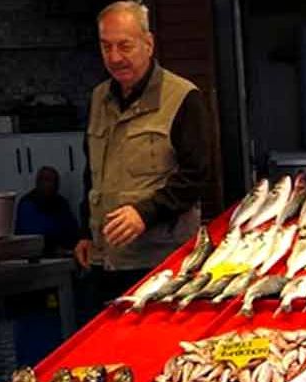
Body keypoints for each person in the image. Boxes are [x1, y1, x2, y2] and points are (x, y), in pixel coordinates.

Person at [75, 0, 209, 312]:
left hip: (162, 263)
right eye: (106, 47)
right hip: (105, 261)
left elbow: (196, 176)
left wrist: (144, 213)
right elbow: (92, 172)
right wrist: (85, 233)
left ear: (148, 44)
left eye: (124, 46)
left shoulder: (183, 97)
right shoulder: (98, 98)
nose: (114, 57)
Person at [16, 166, 79, 257]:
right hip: (33, 255)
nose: (51, 185)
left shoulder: (61, 203)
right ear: (38, 182)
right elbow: (33, 234)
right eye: (47, 180)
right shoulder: (28, 203)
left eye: (55, 181)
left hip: (62, 253)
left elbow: (72, 229)